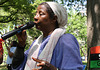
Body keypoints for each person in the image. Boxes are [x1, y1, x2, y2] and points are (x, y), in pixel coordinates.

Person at [12, 1, 83, 70]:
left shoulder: (66, 40)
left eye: (41, 14)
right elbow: (18, 66)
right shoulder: (37, 43)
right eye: (36, 13)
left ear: (54, 19)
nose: (35, 17)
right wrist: (21, 45)